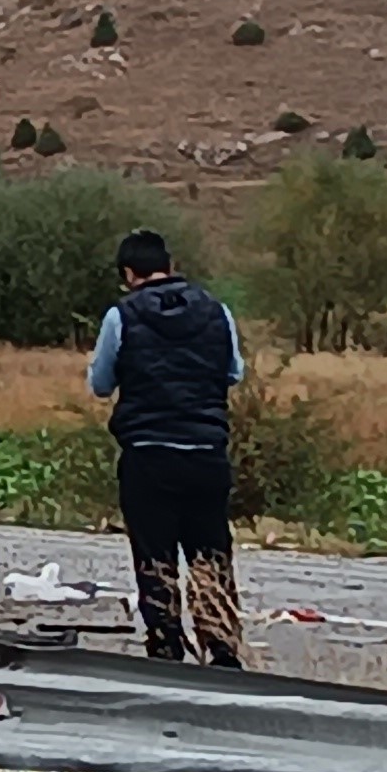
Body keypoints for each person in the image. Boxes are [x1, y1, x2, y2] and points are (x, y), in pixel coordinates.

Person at [87, 227, 244, 667]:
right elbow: (234, 373)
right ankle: (222, 649)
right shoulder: (217, 310)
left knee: (155, 556)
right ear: (170, 266)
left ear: (127, 274)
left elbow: (101, 384)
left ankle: (166, 648)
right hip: (206, 453)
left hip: (148, 454)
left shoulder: (121, 316)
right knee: (210, 552)